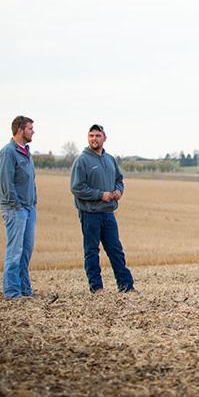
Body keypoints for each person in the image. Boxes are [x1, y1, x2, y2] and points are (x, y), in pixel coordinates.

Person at [70, 123, 136, 293]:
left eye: (98, 136)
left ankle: (126, 285)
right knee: (92, 251)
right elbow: (77, 188)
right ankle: (96, 287)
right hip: (90, 214)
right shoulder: (82, 161)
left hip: (108, 213)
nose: (94, 139)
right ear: (88, 138)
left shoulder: (110, 159)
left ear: (104, 138)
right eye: (91, 136)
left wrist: (119, 191)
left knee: (116, 250)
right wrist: (100, 195)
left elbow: (119, 180)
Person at [0, 115, 37, 299]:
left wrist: (33, 202)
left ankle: (25, 290)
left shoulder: (26, 152)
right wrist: (18, 206)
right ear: (20, 129)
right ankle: (12, 291)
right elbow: (6, 184)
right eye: (30, 128)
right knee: (15, 251)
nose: (33, 131)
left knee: (26, 251)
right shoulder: (8, 152)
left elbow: (30, 180)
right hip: (15, 209)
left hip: (29, 208)